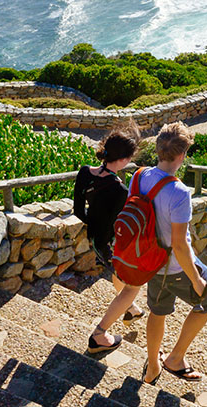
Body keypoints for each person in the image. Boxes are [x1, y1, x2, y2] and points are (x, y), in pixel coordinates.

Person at [138, 122, 207, 384]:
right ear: (182, 155)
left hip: (151, 261)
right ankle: (175, 358)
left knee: (157, 311)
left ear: (158, 149)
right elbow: (179, 244)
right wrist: (196, 281)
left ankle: (153, 366)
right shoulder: (179, 192)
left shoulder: (141, 175)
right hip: (174, 266)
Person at [72, 121, 145, 353]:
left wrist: (93, 222)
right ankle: (99, 336)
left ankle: (130, 308)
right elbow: (119, 223)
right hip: (110, 244)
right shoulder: (120, 190)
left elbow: (78, 211)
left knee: (117, 273)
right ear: (123, 160)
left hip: (93, 238)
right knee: (133, 283)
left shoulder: (85, 172)